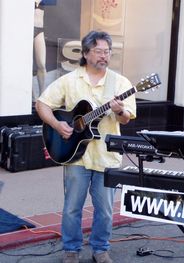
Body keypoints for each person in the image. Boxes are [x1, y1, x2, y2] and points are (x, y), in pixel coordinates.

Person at [35, 31, 136, 263]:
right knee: (72, 208)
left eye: (107, 51)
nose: (104, 56)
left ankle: (100, 249)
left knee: (105, 210)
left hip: (106, 157)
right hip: (75, 156)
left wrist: (120, 110)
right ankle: (71, 250)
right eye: (99, 51)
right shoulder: (70, 80)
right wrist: (57, 124)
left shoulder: (120, 83)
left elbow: (126, 118)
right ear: (85, 53)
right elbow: (42, 104)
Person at [33, 0, 47, 99]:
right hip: (27, 28)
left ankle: (42, 94)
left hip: (39, 29)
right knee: (27, 65)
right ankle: (32, 97)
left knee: (42, 64)